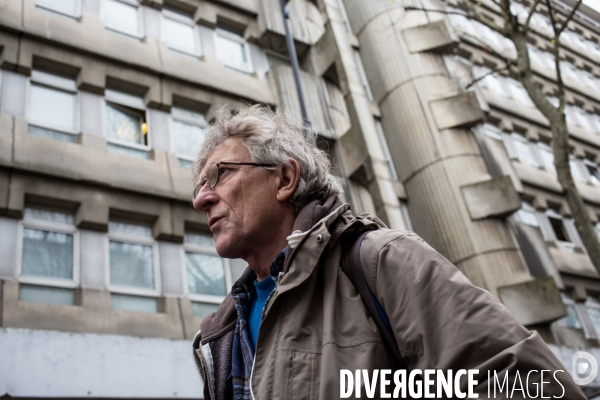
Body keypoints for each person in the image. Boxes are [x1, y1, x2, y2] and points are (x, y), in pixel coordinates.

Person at [191, 105, 586, 400]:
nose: (201, 199)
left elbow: (530, 386)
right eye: (199, 186)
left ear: (285, 178)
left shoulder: (382, 261)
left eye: (220, 174)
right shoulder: (221, 334)